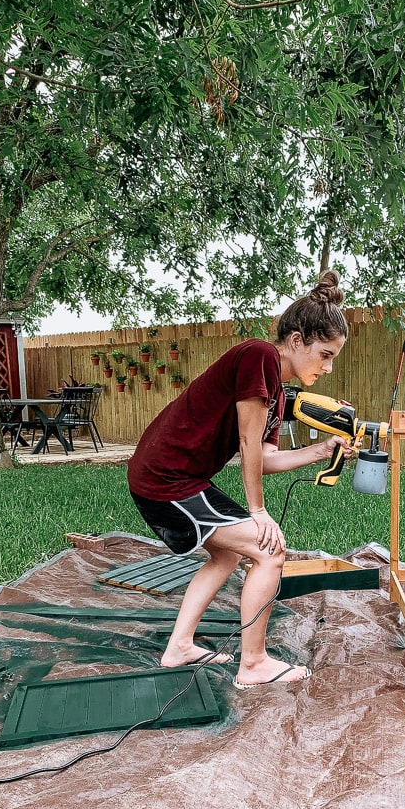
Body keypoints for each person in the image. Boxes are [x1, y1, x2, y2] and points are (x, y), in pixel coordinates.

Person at [127, 270, 352, 687]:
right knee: (270, 550)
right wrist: (258, 511)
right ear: (297, 340)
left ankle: (179, 646)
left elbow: (264, 458)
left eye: (333, 357)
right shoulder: (259, 356)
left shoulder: (276, 391)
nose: (328, 366)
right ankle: (253, 665)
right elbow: (248, 445)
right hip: (166, 477)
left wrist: (320, 451)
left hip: (179, 476)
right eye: (324, 354)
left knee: (229, 553)